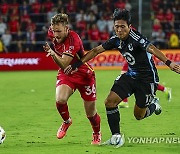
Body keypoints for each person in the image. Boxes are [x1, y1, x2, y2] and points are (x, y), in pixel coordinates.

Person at [64, 9, 180, 148]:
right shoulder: (115, 40)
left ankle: (154, 104)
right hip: (130, 76)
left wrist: (169, 63)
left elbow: (153, 49)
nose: (119, 30)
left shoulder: (136, 38)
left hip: (147, 80)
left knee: (138, 116)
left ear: (129, 27)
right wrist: (77, 64)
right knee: (110, 102)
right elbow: (95, 51)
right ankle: (116, 137)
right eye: (116, 26)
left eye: (122, 27)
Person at [43, 13, 101, 144]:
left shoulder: (73, 39)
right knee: (60, 99)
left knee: (90, 114)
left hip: (84, 75)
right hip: (67, 73)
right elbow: (64, 67)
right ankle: (67, 122)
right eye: (54, 30)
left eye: (59, 31)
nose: (56, 34)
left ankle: (96, 133)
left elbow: (64, 63)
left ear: (66, 28)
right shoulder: (52, 33)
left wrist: (52, 53)